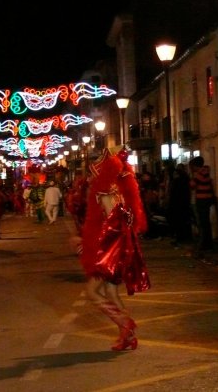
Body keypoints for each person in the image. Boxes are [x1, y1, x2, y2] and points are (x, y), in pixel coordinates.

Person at [80, 147, 150, 351]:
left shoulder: (106, 193)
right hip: (116, 250)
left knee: (92, 292)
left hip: (109, 253)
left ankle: (125, 324)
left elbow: (111, 226)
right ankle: (127, 337)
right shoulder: (116, 190)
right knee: (111, 293)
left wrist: (102, 257)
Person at [189, 156, 215, 252]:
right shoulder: (206, 173)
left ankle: (205, 243)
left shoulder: (199, 174)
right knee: (206, 223)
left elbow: (192, 185)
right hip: (207, 199)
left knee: (203, 223)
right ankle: (208, 243)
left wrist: (192, 176)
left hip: (202, 200)